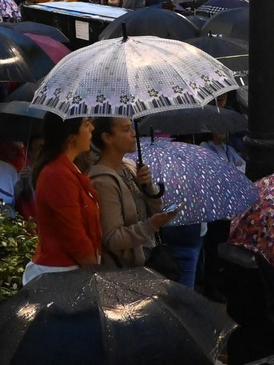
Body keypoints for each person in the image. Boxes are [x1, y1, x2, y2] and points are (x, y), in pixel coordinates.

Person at [88, 117, 177, 271]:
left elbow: (155, 208)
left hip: (148, 260)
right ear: (107, 138)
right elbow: (112, 239)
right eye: (126, 129)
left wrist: (147, 186)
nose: (134, 133)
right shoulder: (102, 181)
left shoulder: (129, 166)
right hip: (125, 271)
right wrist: (151, 225)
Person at [24, 115, 101, 283]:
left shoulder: (67, 168)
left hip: (71, 272)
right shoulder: (57, 174)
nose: (92, 129)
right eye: (87, 124)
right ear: (71, 137)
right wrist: (93, 270)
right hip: (59, 275)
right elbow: (74, 235)